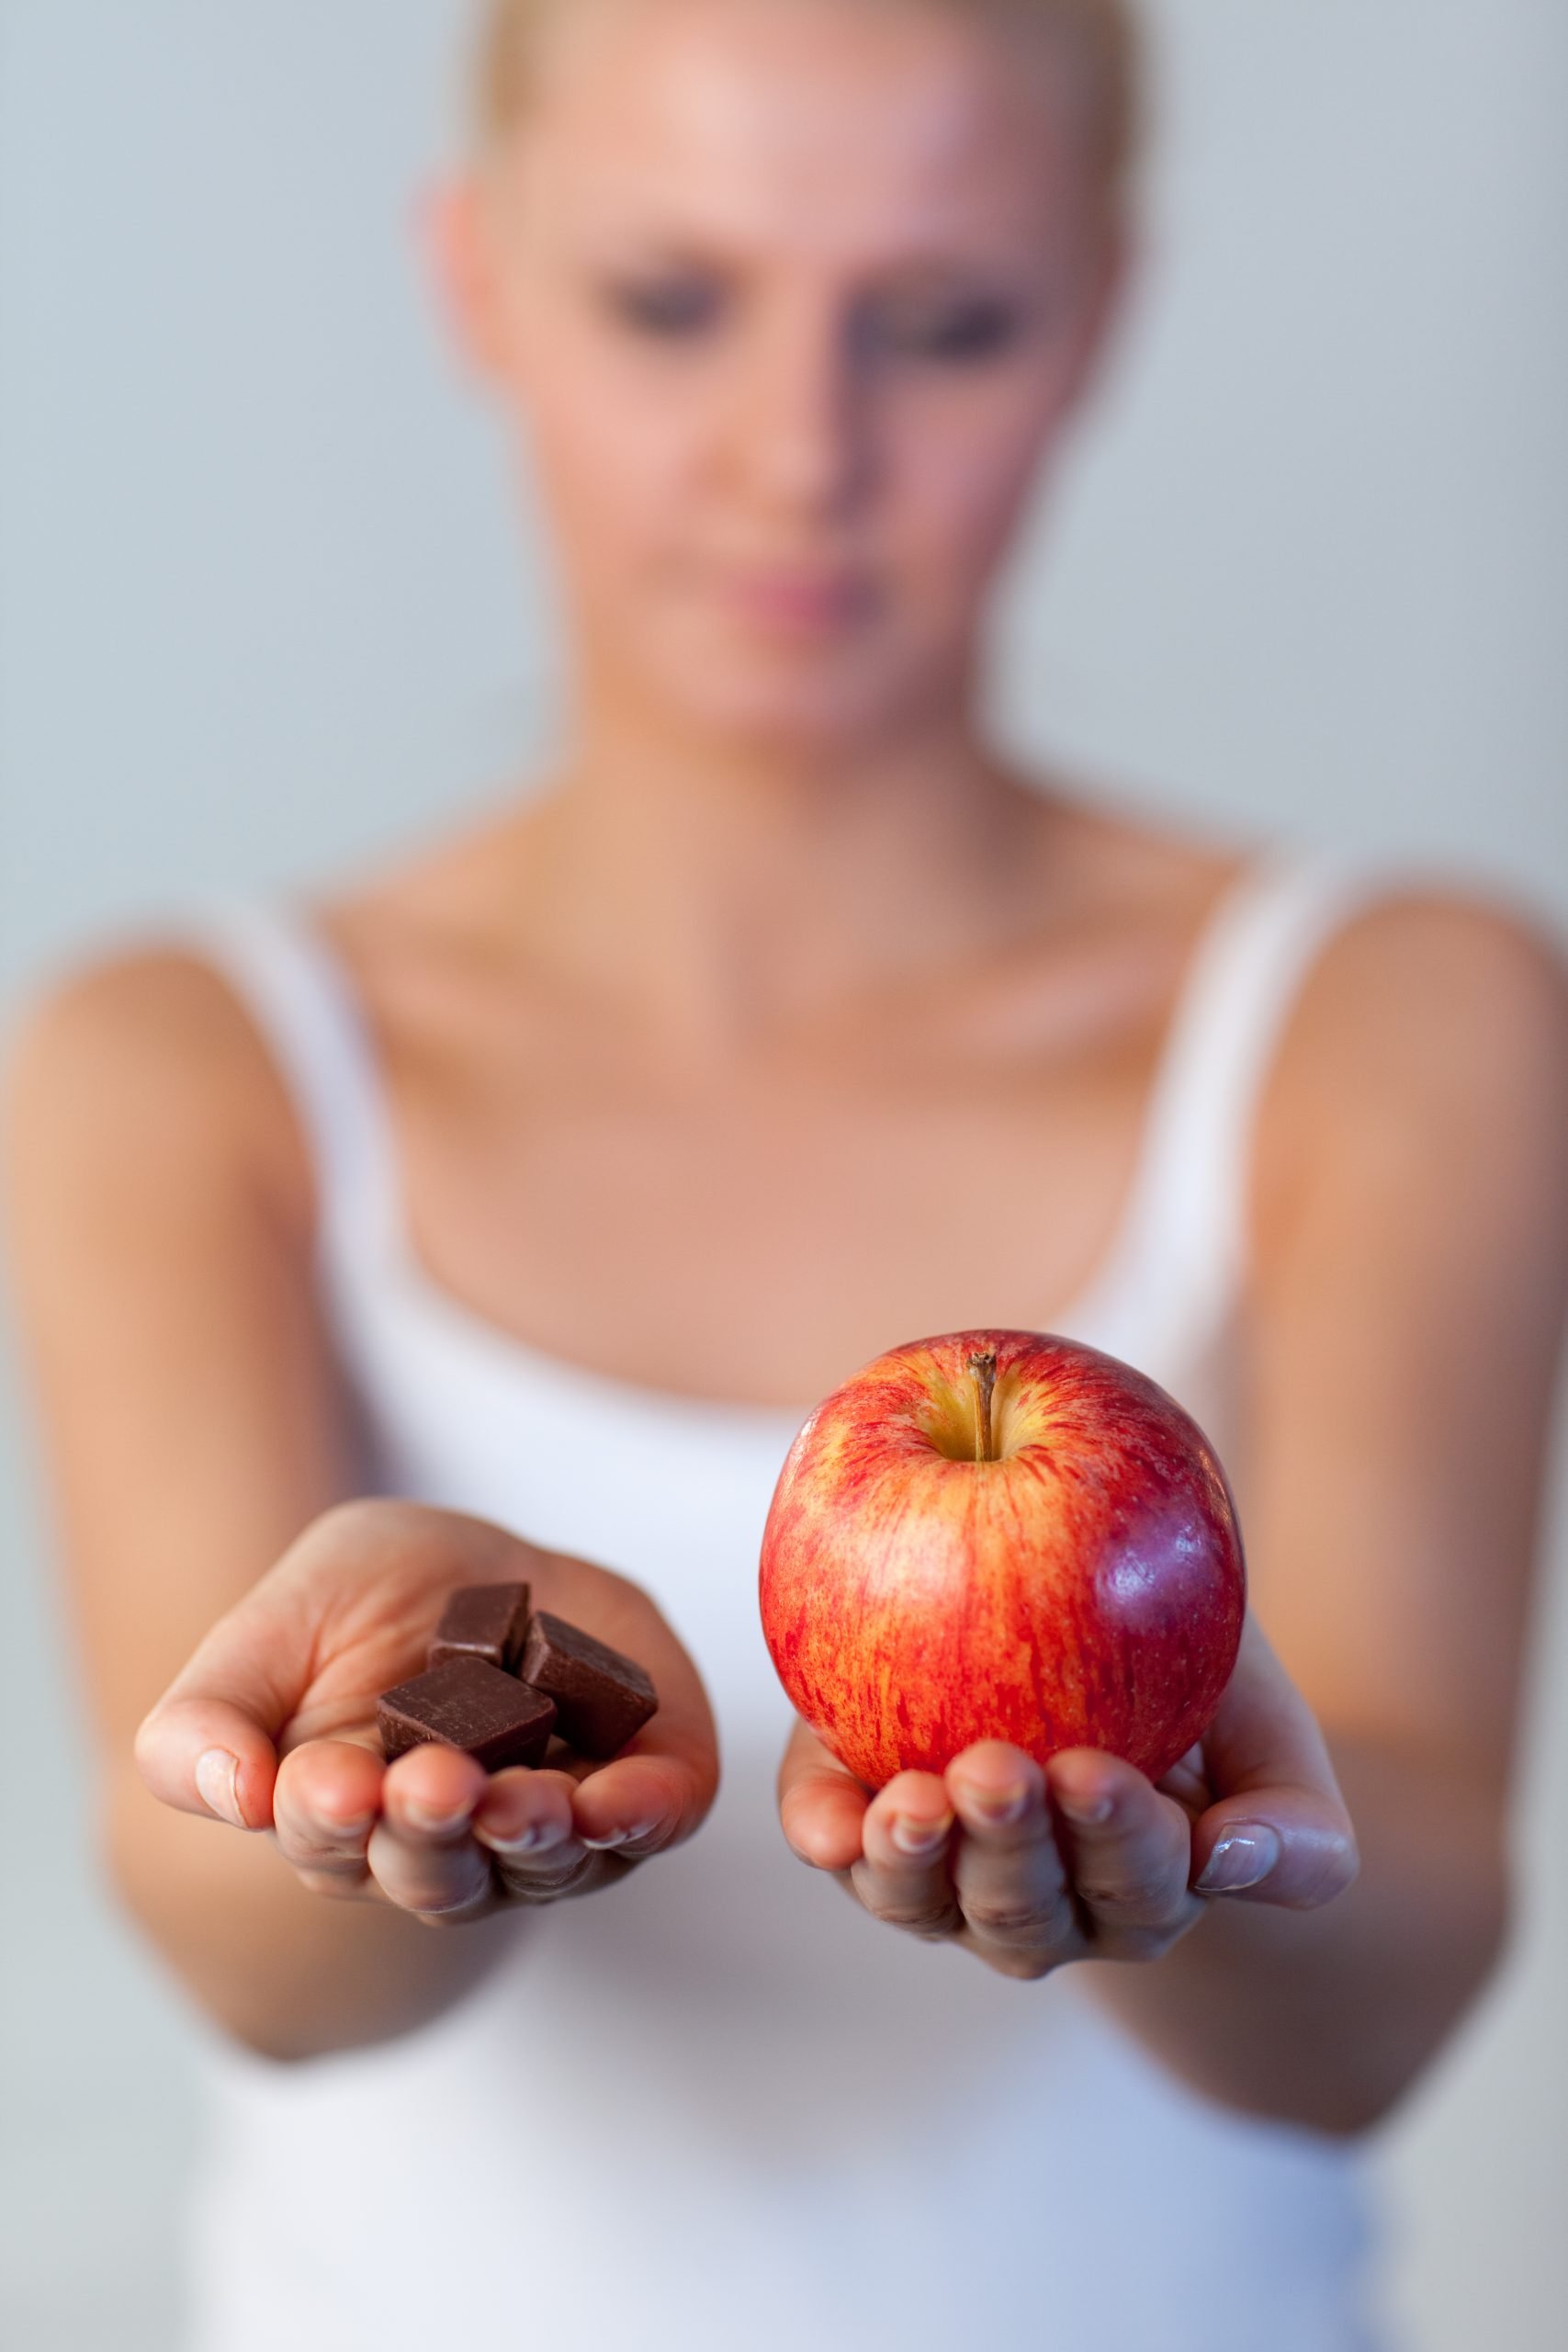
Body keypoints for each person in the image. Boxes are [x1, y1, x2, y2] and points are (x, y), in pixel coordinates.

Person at [6, 1, 1567, 2346]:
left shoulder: (1397, 1013)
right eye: (670, 301)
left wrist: (1168, 1821)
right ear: (476, 284)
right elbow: (255, 1971)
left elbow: (1379, 2002)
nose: (795, 451)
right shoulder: (171, 1060)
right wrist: (399, 1743)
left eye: (938, 324)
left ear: (1095, 322)